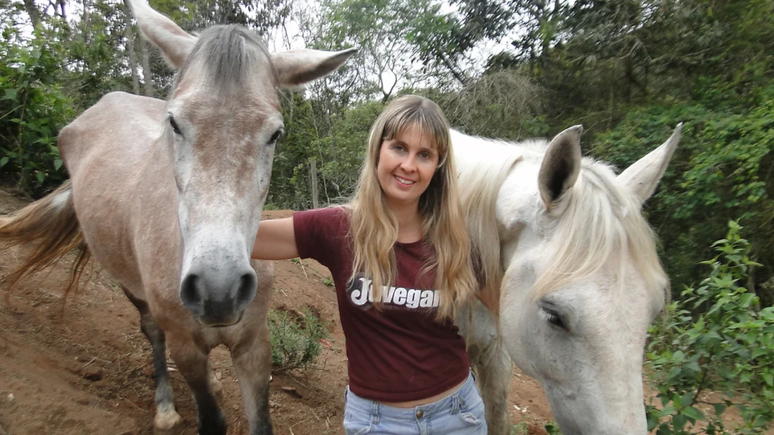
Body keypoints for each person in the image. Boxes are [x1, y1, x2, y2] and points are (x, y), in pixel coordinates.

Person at [251, 95, 486, 434]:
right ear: (378, 149)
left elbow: (510, 300)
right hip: (376, 422)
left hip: (458, 415)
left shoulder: (456, 238)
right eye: (399, 147)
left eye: (424, 155)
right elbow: (245, 238)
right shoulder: (337, 228)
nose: (408, 165)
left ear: (437, 166)